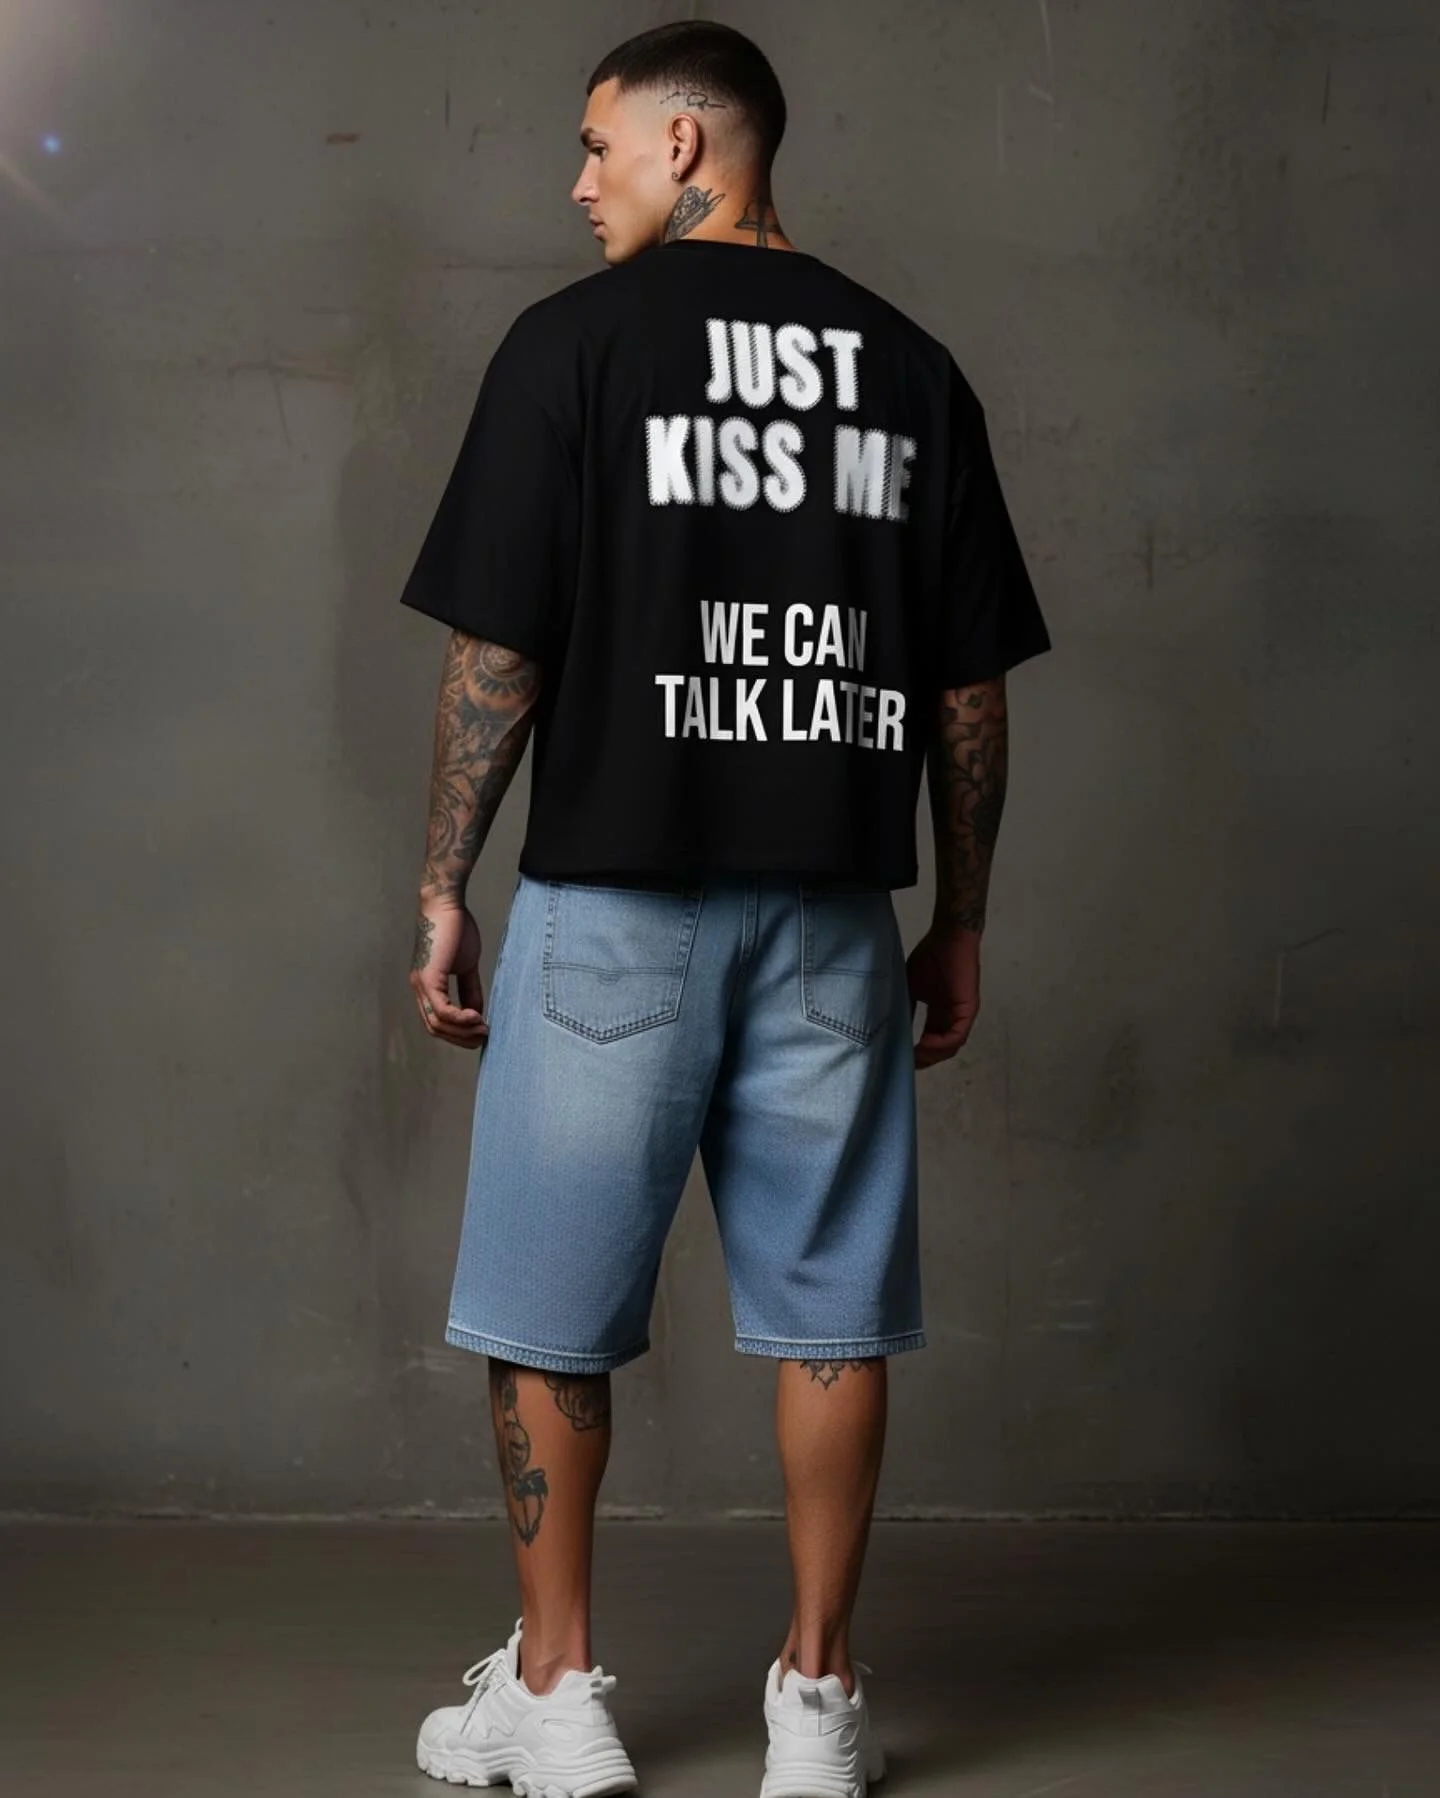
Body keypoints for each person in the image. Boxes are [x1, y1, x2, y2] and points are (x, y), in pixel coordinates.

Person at [399, 20, 1051, 1798]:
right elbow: (969, 692)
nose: (578, 182)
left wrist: (445, 881)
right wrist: (962, 913)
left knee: (544, 1315)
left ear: (687, 144)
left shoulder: (571, 348)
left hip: (614, 911)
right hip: (833, 918)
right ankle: (816, 1703)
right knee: (833, 1316)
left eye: (596, 144)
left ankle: (558, 1691)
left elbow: (499, 653)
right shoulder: (912, 368)